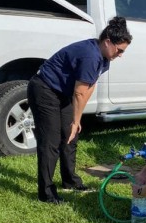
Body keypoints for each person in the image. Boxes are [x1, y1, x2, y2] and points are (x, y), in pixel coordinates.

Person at [28, 17, 132, 204]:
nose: (120, 55)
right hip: (44, 90)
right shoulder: (90, 55)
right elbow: (79, 93)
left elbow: (89, 86)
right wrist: (76, 121)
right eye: (119, 50)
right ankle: (46, 193)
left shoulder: (104, 57)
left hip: (62, 94)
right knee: (50, 142)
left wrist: (76, 120)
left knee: (70, 136)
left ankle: (70, 181)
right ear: (108, 42)